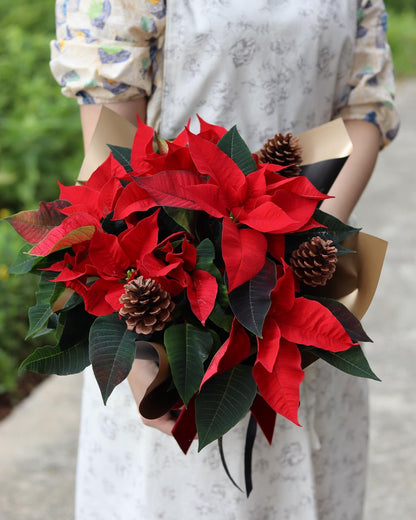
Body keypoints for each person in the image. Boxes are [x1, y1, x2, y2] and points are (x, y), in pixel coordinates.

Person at [50, 1, 399, 519]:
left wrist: (310, 252)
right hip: (171, 299)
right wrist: (144, 352)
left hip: (297, 297)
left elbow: (365, 110)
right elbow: (112, 145)